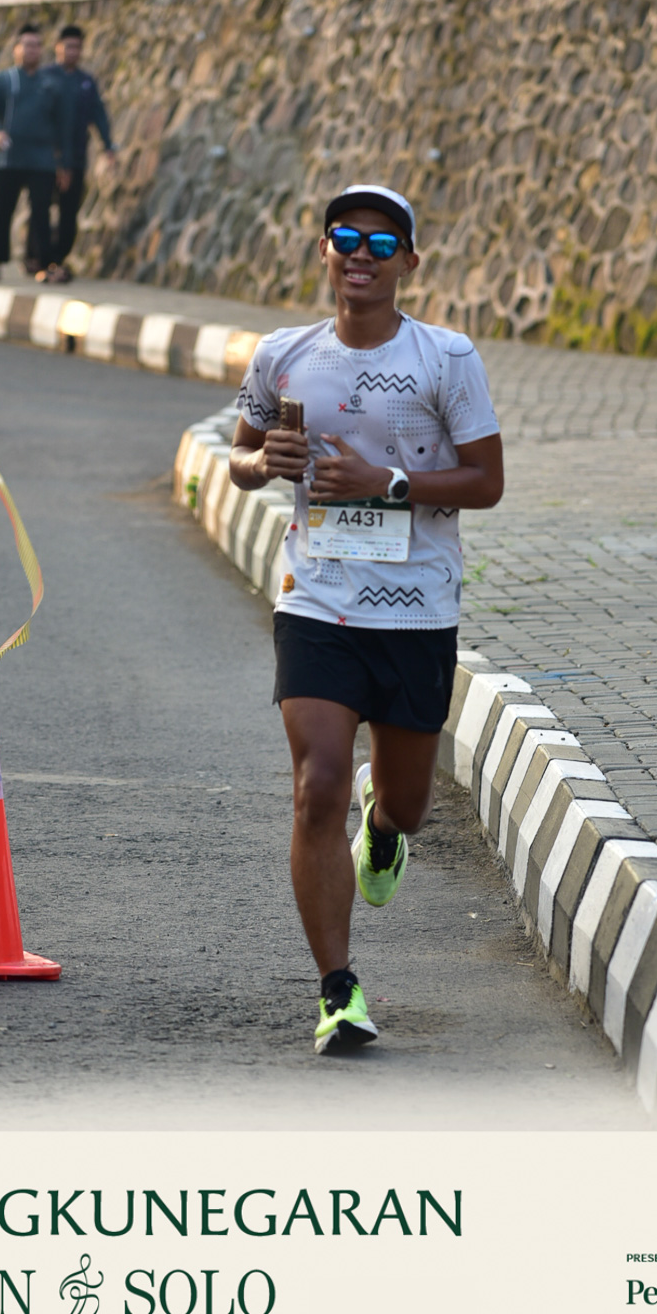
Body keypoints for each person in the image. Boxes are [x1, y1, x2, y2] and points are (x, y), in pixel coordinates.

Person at [229, 184, 504, 1055]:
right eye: (344, 238)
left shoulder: (444, 358)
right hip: (316, 600)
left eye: (381, 244)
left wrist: (387, 484)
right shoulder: (283, 356)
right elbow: (240, 457)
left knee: (409, 807)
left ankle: (381, 830)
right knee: (316, 785)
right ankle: (337, 991)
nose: (360, 254)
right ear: (323, 251)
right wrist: (264, 463)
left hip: (417, 609)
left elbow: (487, 482)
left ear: (407, 262)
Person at [0, 24, 72, 282]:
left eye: (37, 45)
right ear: (16, 49)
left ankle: (43, 264)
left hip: (41, 161)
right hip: (8, 159)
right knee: (2, 212)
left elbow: (62, 125)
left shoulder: (50, 84)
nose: (33, 50)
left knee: (41, 213)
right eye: (28, 45)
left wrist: (63, 163)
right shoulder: (5, 80)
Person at [43, 24, 117, 283]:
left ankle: (57, 259)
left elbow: (99, 115)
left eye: (77, 47)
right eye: (69, 46)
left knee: (69, 212)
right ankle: (38, 258)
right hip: (46, 158)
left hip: (76, 157)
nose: (73, 51)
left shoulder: (85, 82)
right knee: (41, 209)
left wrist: (108, 145)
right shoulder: (46, 78)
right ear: (58, 47)